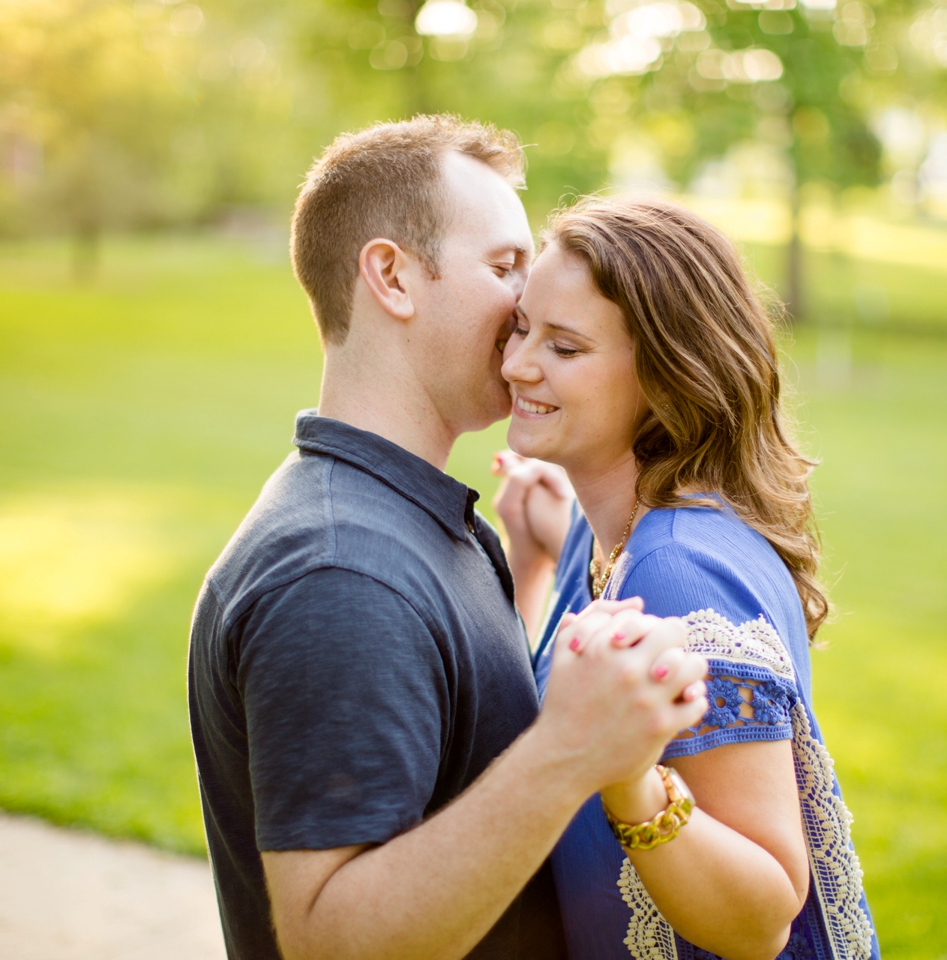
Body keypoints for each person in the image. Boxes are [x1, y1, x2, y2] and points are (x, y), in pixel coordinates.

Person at [187, 117, 712, 960]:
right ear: (392, 276)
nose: (528, 305)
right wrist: (569, 753)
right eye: (505, 267)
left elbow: (453, 763)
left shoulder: (409, 519)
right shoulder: (341, 572)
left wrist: (529, 578)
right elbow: (331, 941)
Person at [493, 196, 881, 960]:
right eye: (520, 327)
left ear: (669, 376)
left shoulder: (678, 569)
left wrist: (630, 777)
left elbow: (763, 914)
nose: (516, 364)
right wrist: (535, 553)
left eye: (564, 348)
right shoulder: (607, 536)